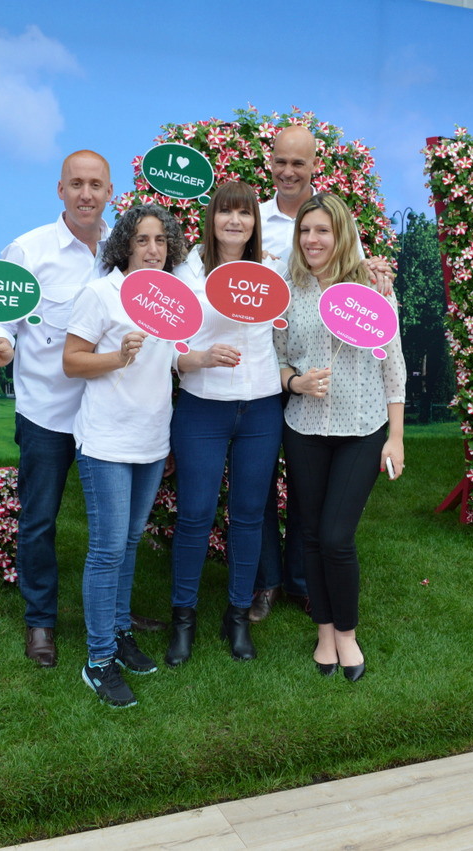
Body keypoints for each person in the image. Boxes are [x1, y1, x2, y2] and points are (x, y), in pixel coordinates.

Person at [250, 125, 395, 623]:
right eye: (281, 161)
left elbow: (361, 290)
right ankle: (272, 586)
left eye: (299, 162)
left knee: (314, 506)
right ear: (271, 162)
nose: (289, 171)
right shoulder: (255, 222)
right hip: (271, 378)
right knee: (266, 490)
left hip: (327, 391)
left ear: (314, 165)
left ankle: (310, 590)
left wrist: (375, 273)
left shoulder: (336, 224)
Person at [0, 149, 118, 670]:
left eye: (95, 185)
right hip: (46, 414)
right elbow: (0, 317)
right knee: (39, 521)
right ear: (60, 190)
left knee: (116, 525)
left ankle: (115, 614)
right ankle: (40, 620)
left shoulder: (123, 250)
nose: (86, 193)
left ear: (110, 192)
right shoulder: (29, 249)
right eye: (76, 184)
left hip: (108, 412)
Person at [274, 192, 405, 683]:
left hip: (362, 429)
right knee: (310, 534)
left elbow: (393, 367)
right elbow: (277, 356)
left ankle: (347, 633)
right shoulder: (289, 291)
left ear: (342, 234)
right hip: (304, 428)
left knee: (335, 536)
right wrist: (295, 383)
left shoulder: (373, 287)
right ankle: (324, 630)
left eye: (322, 231)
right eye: (305, 230)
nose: (312, 239)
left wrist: (396, 437)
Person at [63, 204, 188, 708]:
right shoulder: (101, 294)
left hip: (151, 440)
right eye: (142, 240)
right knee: (108, 549)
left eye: (160, 240)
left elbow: (173, 360)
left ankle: (118, 633)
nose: (152, 249)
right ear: (124, 246)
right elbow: (72, 362)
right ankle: (97, 661)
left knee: (130, 541)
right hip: (107, 442)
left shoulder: (169, 297)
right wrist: (118, 356)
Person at [164, 181, 285, 666]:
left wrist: (372, 272)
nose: (235, 221)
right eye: (225, 212)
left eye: (245, 213)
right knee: (194, 515)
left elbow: (322, 287)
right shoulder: (186, 271)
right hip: (203, 407)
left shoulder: (272, 270)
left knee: (249, 515)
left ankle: (237, 616)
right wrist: (198, 357)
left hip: (260, 407)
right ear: (211, 219)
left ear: (255, 222)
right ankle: (183, 619)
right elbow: (166, 345)